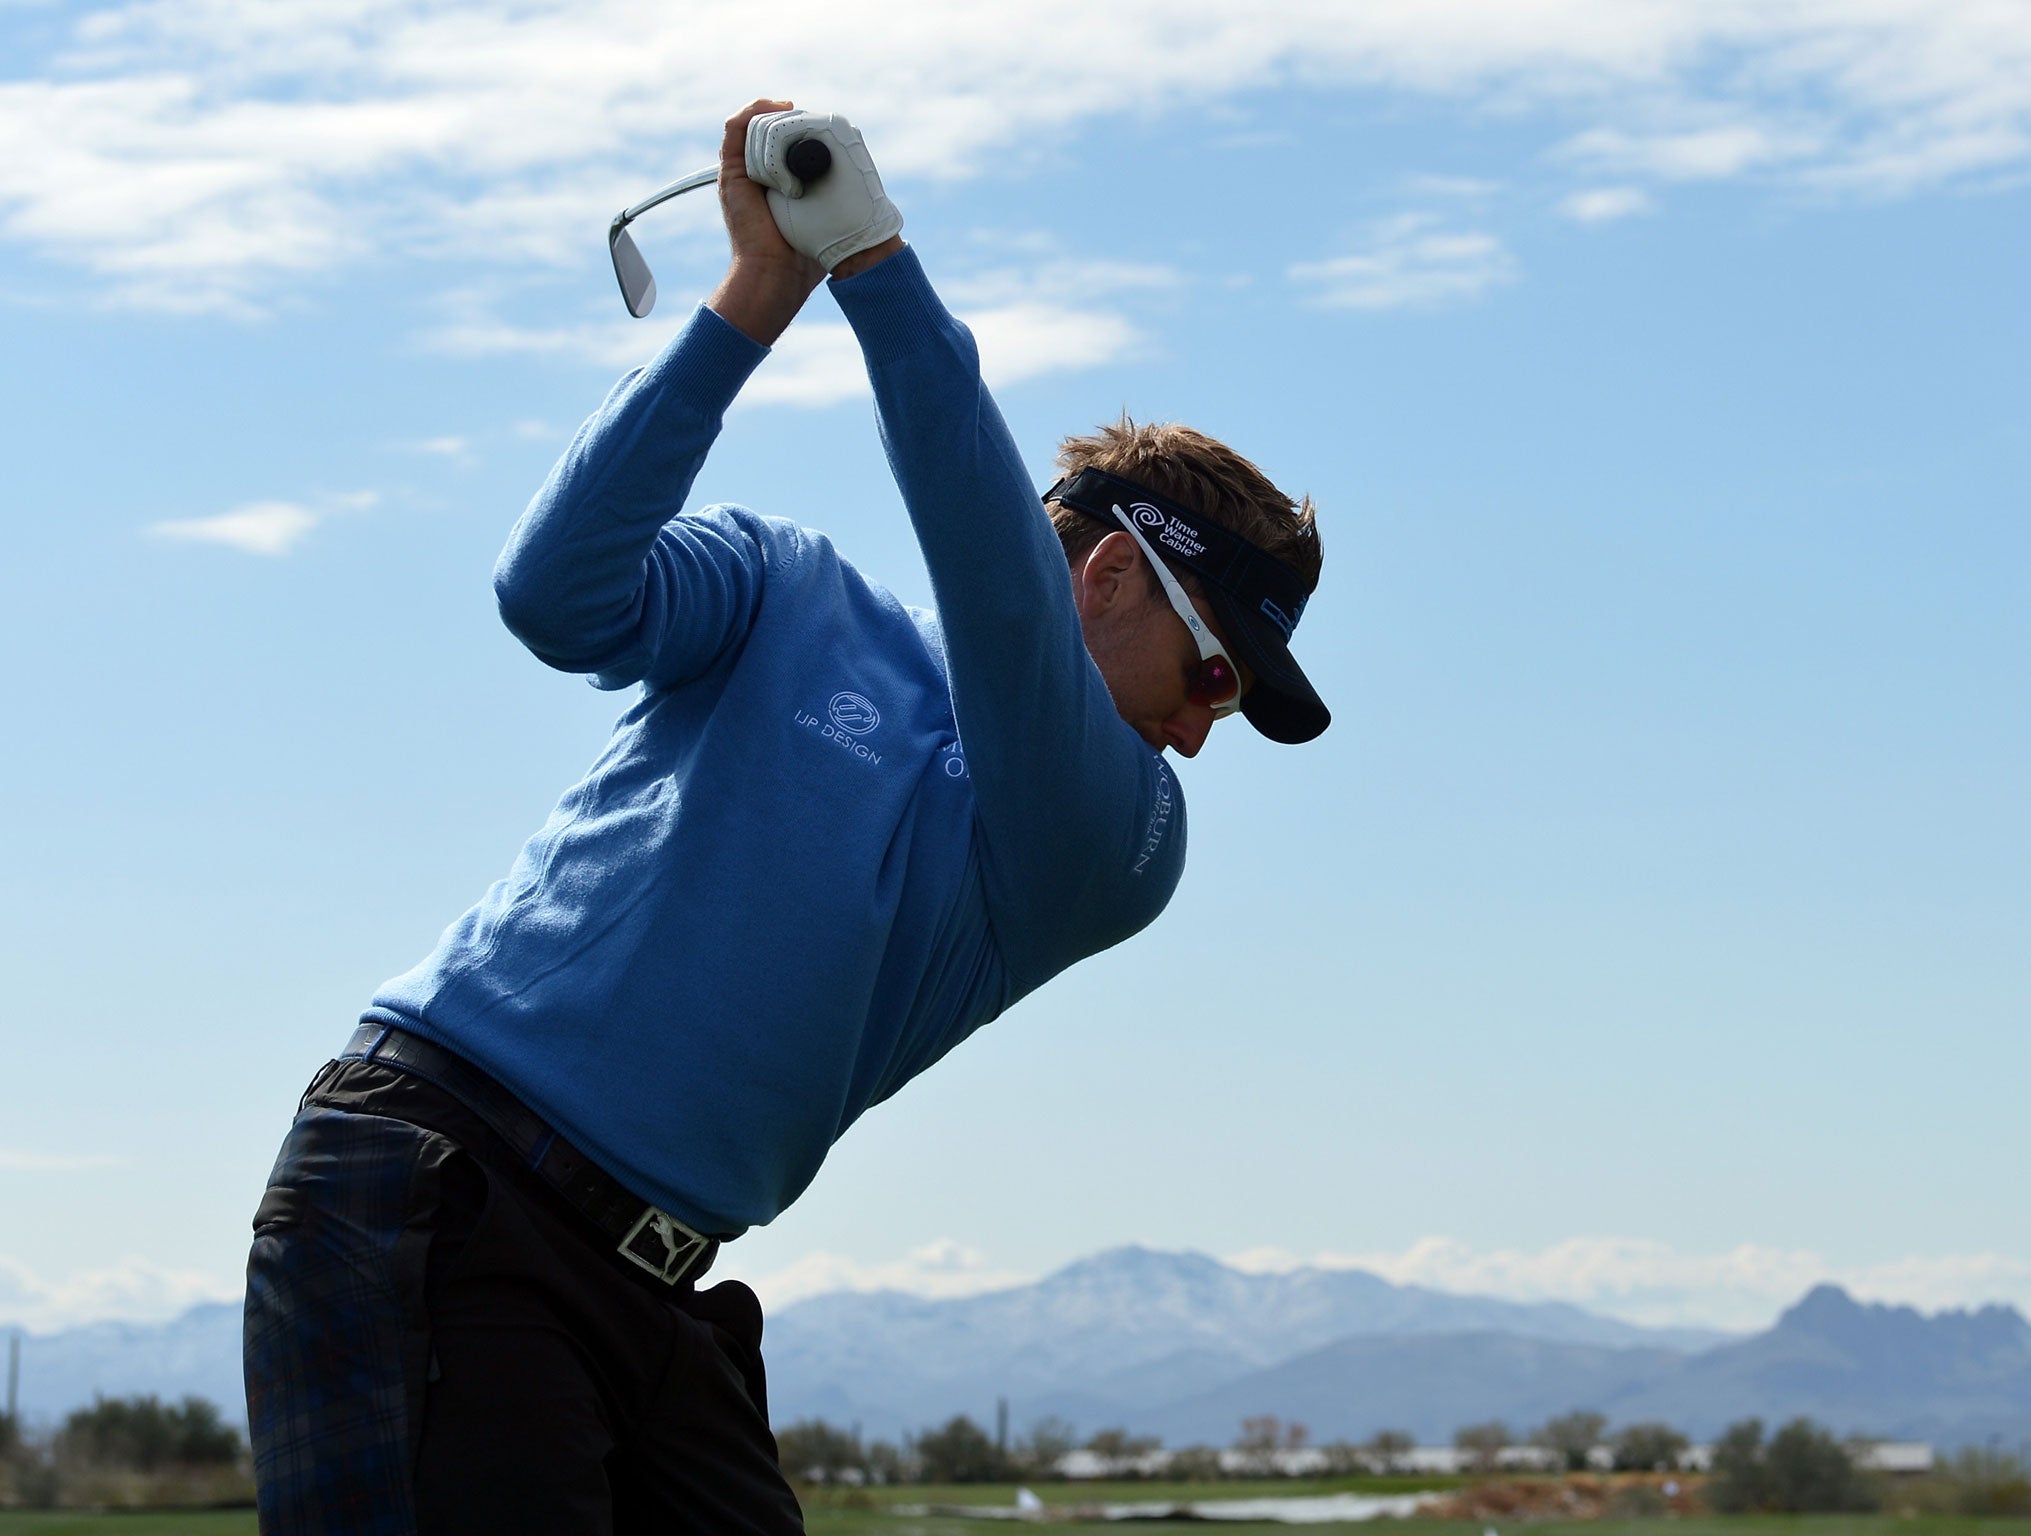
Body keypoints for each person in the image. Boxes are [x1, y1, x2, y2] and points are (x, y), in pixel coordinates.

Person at [242, 97, 1329, 1535]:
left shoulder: (1122, 844)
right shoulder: (783, 588)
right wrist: (764, 293)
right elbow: (551, 593)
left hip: (649, 1289)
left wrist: (876, 265)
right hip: (440, 1183)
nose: (1203, 731)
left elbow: (1001, 605)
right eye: (1214, 674)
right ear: (1116, 577)